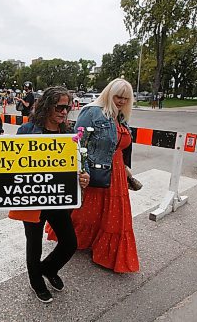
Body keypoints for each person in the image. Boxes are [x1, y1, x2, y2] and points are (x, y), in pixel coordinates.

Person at [7, 86, 90, 303]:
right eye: (60, 107)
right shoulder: (27, 130)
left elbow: (80, 164)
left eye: (68, 107)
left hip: (58, 197)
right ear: (46, 106)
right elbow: (12, 163)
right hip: (33, 198)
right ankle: (36, 281)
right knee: (34, 244)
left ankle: (47, 269)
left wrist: (84, 176)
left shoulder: (69, 134)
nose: (65, 112)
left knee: (70, 242)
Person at [47, 78, 139, 273]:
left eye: (125, 98)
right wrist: (83, 170)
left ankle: (104, 250)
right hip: (97, 169)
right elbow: (78, 144)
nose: (121, 101)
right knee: (90, 211)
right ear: (108, 93)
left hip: (118, 172)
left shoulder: (120, 116)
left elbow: (122, 145)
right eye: (117, 96)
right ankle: (75, 240)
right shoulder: (92, 112)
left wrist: (126, 168)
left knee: (111, 215)